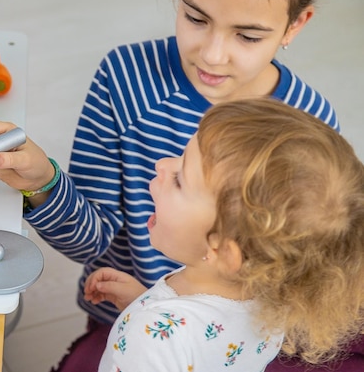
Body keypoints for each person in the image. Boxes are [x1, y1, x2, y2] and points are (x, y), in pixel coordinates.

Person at [0, 0, 357, 370]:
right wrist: (43, 181)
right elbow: (91, 241)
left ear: (295, 24)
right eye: (196, 18)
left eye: (247, 36)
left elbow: (291, 273)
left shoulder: (310, 124)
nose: (213, 55)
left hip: (231, 338)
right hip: (130, 307)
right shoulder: (125, 79)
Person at [86, 98, 364, 372]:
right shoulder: (270, 297)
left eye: (180, 179)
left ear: (223, 252)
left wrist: (148, 327)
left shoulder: (146, 341)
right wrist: (147, 305)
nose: (163, 164)